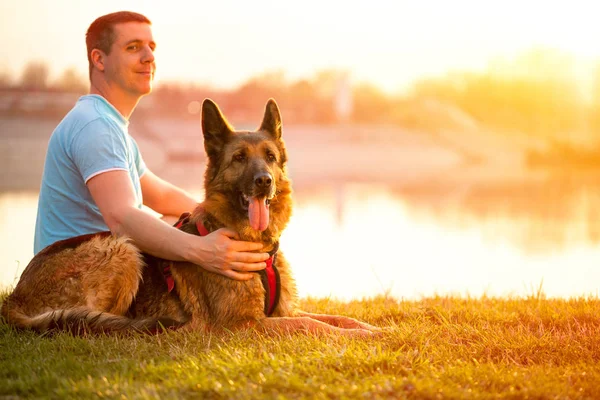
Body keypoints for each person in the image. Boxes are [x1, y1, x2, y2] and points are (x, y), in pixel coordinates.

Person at [33, 11, 269, 280]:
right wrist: (203, 250)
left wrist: (223, 224)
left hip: (90, 269)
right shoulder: (94, 125)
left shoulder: (109, 125)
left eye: (151, 47)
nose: (149, 57)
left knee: (177, 222)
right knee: (177, 235)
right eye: (133, 47)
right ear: (99, 59)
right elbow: (122, 217)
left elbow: (165, 197)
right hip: (67, 281)